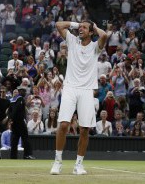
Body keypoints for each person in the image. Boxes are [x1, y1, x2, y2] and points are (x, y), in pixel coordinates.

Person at [50, 20, 107, 175]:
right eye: (79, 27)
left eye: (84, 28)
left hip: (87, 90)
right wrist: (78, 24)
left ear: (90, 32)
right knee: (63, 125)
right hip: (70, 88)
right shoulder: (72, 40)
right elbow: (59, 25)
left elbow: (104, 35)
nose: (80, 29)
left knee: (84, 129)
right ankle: (58, 161)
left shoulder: (96, 47)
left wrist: (94, 27)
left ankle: (78, 165)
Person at [7, 85, 34, 160]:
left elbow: (9, 111)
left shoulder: (12, 100)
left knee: (14, 140)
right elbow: (16, 110)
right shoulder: (20, 99)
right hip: (20, 122)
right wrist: (13, 118)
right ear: (20, 91)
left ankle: (13, 157)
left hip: (14, 123)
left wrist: (11, 119)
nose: (25, 92)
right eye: (24, 91)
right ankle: (27, 155)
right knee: (25, 138)